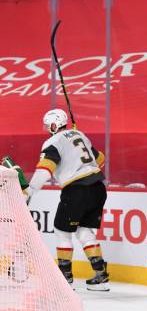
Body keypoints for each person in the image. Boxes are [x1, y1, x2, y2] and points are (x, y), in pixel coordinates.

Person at [26, 109, 109, 291]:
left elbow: (45, 168)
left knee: (62, 232)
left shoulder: (52, 141)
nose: (48, 128)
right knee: (84, 231)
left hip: (76, 189)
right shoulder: (80, 134)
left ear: (54, 125)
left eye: (49, 125)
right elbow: (100, 159)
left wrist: (30, 191)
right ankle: (100, 275)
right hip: (98, 187)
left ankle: (66, 278)